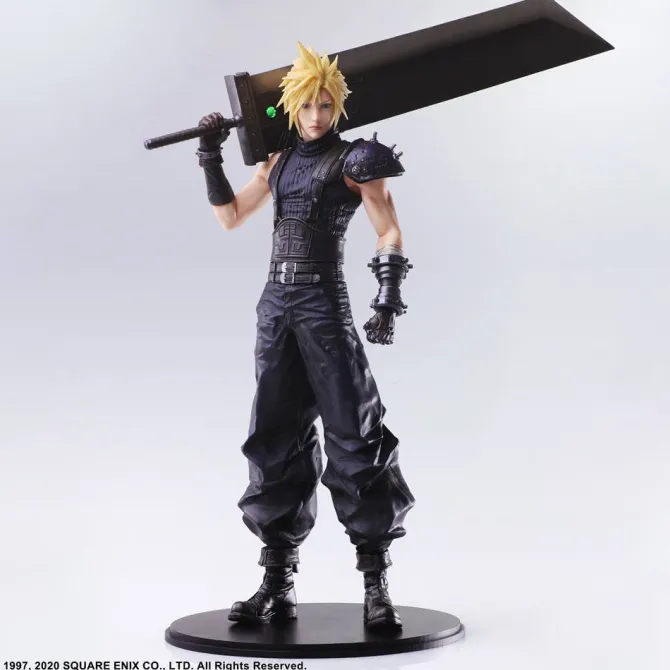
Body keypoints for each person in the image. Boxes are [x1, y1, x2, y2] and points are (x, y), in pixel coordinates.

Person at [195, 42, 415, 629]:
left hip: (323, 303)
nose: (316, 116)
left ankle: (375, 585)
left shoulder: (356, 160)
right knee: (273, 439)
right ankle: (277, 585)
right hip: (276, 307)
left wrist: (387, 297)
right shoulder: (278, 162)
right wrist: (210, 156)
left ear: (337, 107)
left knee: (355, 437)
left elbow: (389, 228)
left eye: (325, 105)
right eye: (307, 105)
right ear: (291, 107)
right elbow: (230, 216)